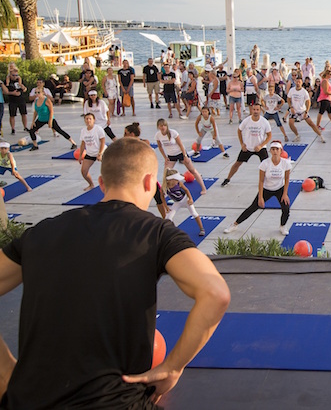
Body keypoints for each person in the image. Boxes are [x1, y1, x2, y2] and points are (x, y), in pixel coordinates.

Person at [0, 137, 230, 408]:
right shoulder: (155, 232)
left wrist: (6, 371)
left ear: (101, 183)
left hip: (26, 400)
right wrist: (172, 367)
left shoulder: (41, 231)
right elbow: (216, 294)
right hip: (115, 401)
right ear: (149, 183)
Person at [224, 141, 293, 236]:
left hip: (279, 189)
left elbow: (287, 178)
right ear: (270, 151)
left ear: (281, 151)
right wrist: (260, 197)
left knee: (286, 209)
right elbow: (261, 181)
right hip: (266, 189)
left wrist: (285, 194)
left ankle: (282, 226)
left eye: (277, 149)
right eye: (273, 149)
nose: (275, 151)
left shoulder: (286, 163)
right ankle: (235, 224)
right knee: (252, 207)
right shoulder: (265, 163)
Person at [123, 122, 169, 219]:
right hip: (136, 176)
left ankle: (165, 218)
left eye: (126, 133)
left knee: (158, 197)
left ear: (131, 134)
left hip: (147, 174)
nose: (124, 135)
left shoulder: (144, 142)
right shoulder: (126, 145)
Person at [220, 103, 273, 187]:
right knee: (237, 163)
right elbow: (239, 130)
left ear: (260, 111)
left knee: (266, 165)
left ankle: (269, 181)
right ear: (251, 110)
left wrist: (261, 145)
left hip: (260, 148)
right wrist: (242, 144)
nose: (255, 111)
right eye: (254, 109)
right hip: (248, 147)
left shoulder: (264, 122)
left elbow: (269, 136)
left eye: (257, 110)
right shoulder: (247, 120)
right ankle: (228, 178)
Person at [154, 119, 207, 194]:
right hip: (171, 156)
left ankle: (203, 188)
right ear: (158, 126)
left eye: (164, 125)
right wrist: (165, 157)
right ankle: (164, 191)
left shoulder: (173, 132)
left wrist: (185, 156)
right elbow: (160, 147)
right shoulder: (158, 135)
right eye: (161, 126)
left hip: (180, 153)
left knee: (192, 171)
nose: (163, 127)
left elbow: (181, 144)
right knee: (166, 173)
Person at [163, 168, 204, 235]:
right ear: (171, 180)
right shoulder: (165, 187)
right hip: (177, 202)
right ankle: (172, 232)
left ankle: (202, 228)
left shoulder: (179, 183)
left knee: (194, 213)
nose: (178, 180)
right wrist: (166, 207)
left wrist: (190, 199)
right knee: (168, 217)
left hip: (185, 199)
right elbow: (162, 196)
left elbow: (186, 190)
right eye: (176, 179)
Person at [287, 77, 326, 143]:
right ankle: (297, 135)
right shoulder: (292, 90)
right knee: (291, 124)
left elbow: (308, 102)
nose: (298, 83)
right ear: (295, 82)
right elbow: (288, 98)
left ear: (302, 83)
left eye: (299, 82)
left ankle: (320, 135)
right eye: (297, 82)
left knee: (311, 124)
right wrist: (291, 107)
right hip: (294, 110)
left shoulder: (304, 92)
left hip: (302, 111)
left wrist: (306, 111)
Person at [78, 112, 106, 191]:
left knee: (107, 171)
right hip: (90, 154)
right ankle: (91, 184)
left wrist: (100, 153)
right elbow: (83, 144)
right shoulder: (83, 130)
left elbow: (103, 141)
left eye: (90, 119)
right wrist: (80, 156)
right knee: (84, 171)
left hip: (101, 152)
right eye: (86, 119)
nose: (88, 120)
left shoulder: (98, 129)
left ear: (94, 120)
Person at [5, 64, 26, 135]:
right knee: (12, 115)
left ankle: (25, 127)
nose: (15, 77)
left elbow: (25, 89)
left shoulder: (19, 79)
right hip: (12, 100)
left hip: (21, 99)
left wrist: (23, 88)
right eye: (13, 75)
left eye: (16, 75)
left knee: (23, 113)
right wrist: (12, 93)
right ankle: (13, 128)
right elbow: (5, 91)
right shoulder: (8, 80)